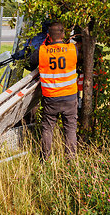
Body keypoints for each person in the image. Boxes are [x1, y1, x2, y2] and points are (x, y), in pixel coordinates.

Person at [28, 21, 79, 160]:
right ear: (63, 34)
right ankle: (71, 160)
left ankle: (45, 159)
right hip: (69, 97)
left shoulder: (42, 51)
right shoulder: (72, 49)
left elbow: (30, 63)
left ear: (48, 36)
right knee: (70, 130)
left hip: (51, 98)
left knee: (47, 129)